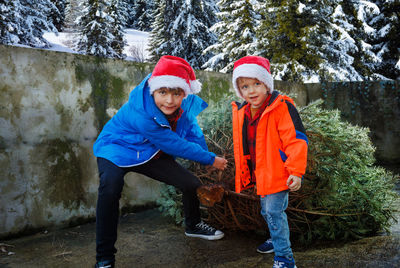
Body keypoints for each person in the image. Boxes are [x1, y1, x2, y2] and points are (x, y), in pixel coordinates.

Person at [93, 55, 228, 268]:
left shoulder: (184, 106)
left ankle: (193, 225)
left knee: (190, 183)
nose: (169, 100)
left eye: (176, 93)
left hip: (148, 151)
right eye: (162, 92)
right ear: (153, 90)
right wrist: (211, 158)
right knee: (110, 188)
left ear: (185, 92)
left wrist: (206, 159)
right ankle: (105, 257)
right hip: (117, 148)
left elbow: (193, 132)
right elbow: (172, 143)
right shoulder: (141, 111)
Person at [230, 56, 308, 268]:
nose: (251, 91)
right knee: (266, 211)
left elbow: (296, 140)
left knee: (274, 211)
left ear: (267, 84)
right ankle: (275, 239)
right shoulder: (242, 111)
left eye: (257, 83)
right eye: (245, 86)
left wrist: (296, 171)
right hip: (260, 173)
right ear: (239, 90)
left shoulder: (281, 106)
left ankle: (285, 258)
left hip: (279, 172)